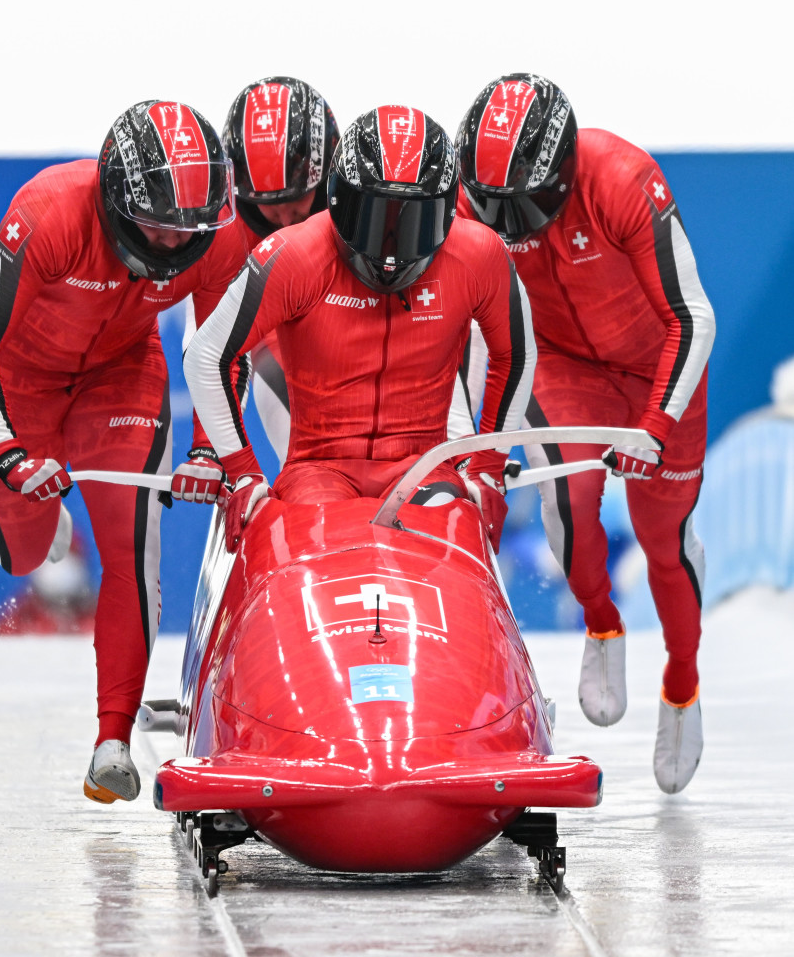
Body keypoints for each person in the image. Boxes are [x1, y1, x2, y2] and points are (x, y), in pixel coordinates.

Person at [0, 100, 249, 804]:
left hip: (122, 372)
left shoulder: (221, 240)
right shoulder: (50, 211)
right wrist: (9, 452)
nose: (174, 246)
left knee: (132, 548)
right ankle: (49, 526)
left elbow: (218, 353)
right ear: (115, 197)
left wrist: (210, 452)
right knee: (23, 555)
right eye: (156, 227)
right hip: (21, 383)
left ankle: (111, 740)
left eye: (190, 231)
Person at [455, 74, 716, 794]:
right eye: (492, 206)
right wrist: (482, 445)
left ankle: (683, 683)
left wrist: (657, 423)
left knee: (664, 543)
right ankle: (601, 624)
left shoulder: (624, 180)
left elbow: (691, 318)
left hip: (655, 367)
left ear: (566, 171)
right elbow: (461, 330)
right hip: (562, 363)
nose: (510, 225)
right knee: (568, 504)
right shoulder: (462, 199)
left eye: (526, 206)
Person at [183, 105, 536, 555]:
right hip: (318, 472)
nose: (390, 248)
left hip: (424, 467)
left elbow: (516, 353)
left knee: (444, 526)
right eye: (374, 216)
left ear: (445, 211)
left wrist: (485, 466)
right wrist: (243, 472)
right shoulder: (293, 256)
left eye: (412, 221)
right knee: (324, 545)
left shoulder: (479, 256)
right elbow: (207, 355)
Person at [215, 76, 340, 465]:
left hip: (360, 323)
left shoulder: (358, 198)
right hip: (277, 339)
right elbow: (208, 346)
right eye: (270, 206)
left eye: (297, 197)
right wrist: (216, 452)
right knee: (311, 465)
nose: (287, 219)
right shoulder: (222, 229)